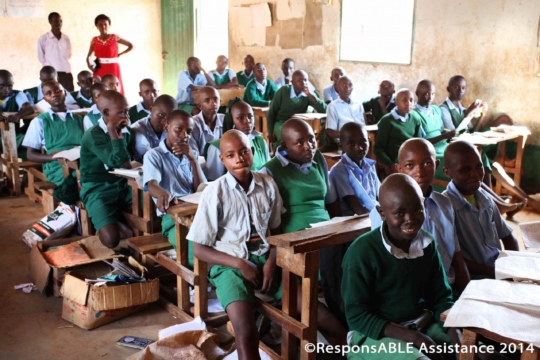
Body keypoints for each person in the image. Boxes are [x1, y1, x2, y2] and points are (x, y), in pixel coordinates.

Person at [189, 130, 345, 359]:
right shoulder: (215, 192)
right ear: (222, 160)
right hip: (230, 265)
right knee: (246, 332)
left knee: (321, 317)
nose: (239, 158)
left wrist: (272, 261)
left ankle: (345, 353)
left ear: (252, 153)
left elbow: (276, 232)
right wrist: (241, 264)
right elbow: (198, 249)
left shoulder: (267, 184)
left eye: (243, 152)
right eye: (231, 155)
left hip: (265, 260)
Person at [342, 173, 460, 360]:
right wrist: (416, 338)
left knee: (478, 352)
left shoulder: (426, 244)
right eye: (399, 213)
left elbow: (440, 297)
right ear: (382, 213)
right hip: (374, 335)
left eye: (417, 210)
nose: (410, 219)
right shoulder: (362, 252)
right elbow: (357, 317)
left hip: (420, 323)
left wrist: (456, 333)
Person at [370, 139, 470, 295]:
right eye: (410, 166)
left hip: (446, 290)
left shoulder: (445, 204)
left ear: (436, 165)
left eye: (427, 164)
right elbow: (385, 265)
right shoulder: (386, 212)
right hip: (409, 294)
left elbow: (456, 258)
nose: (420, 172)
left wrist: (468, 295)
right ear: (399, 169)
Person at [442, 141, 518, 278]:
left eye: (479, 167)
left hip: (498, 270)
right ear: (447, 172)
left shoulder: (485, 199)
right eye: (465, 169)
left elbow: (509, 238)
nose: (475, 174)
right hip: (475, 278)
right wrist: (497, 274)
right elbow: (456, 260)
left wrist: (514, 267)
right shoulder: (445, 207)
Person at [144, 110, 205, 260]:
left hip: (197, 212)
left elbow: (201, 188)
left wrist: (193, 160)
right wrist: (161, 193)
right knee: (195, 252)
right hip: (172, 216)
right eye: (179, 129)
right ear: (166, 128)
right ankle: (201, 279)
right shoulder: (154, 155)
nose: (184, 135)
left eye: (189, 132)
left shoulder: (192, 153)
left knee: (215, 242)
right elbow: (151, 184)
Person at [79, 90, 134, 248]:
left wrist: (117, 132)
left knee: (149, 203)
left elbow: (126, 163)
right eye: (122, 112)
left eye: (127, 111)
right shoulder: (93, 135)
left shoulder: (124, 131)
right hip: (97, 188)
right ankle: (113, 219)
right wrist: (111, 130)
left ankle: (116, 217)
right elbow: (116, 161)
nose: (126, 116)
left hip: (122, 184)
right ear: (105, 112)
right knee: (111, 240)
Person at [22, 80, 89, 187]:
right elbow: (30, 155)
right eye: (48, 93)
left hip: (82, 161)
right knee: (81, 179)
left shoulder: (78, 119)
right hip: (57, 166)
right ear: (45, 99)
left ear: (65, 93)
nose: (54, 94)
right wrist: (55, 157)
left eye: (57, 90)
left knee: (96, 174)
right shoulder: (39, 121)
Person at [204, 100, 269, 180]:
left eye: (250, 116)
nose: (247, 120)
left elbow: (267, 171)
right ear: (231, 120)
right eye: (240, 117)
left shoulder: (259, 140)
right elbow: (214, 180)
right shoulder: (217, 147)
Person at [330, 122, 379, 216]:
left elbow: (379, 195)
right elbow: (355, 206)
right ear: (341, 146)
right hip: (356, 220)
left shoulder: (370, 166)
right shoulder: (339, 171)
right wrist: (375, 221)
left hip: (374, 214)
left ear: (369, 141)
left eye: (363, 141)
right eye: (351, 143)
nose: (359, 148)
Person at [266, 70, 326, 146]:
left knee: (307, 137)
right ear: (292, 82)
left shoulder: (308, 94)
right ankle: (280, 155)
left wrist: (310, 95)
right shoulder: (283, 91)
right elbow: (271, 112)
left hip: (298, 124)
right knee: (286, 135)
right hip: (281, 122)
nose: (303, 83)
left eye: (305, 80)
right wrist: (270, 132)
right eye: (299, 80)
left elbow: (325, 109)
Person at [374, 88, 423, 176]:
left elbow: (418, 143)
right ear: (395, 102)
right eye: (404, 100)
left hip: (412, 156)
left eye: (411, 100)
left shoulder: (415, 118)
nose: (409, 103)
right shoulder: (387, 121)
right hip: (396, 159)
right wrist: (390, 164)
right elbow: (378, 149)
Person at [86, 14, 133, 95]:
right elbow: (88, 56)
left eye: (105, 24)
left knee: (114, 87)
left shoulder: (114, 37)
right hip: (99, 67)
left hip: (113, 67)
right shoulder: (94, 40)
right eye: (100, 25)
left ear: (109, 25)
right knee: (101, 88)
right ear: (96, 26)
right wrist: (90, 66)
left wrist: (120, 54)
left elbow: (131, 45)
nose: (103, 27)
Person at [0, 70, 38, 157]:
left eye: (10, 86)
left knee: (30, 141)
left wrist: (17, 116)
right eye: (2, 86)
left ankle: (28, 168)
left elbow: (29, 108)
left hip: (13, 135)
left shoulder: (17, 94)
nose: (7, 90)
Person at [132, 95, 176, 162]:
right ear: (151, 110)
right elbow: (151, 158)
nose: (165, 121)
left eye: (170, 117)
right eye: (161, 115)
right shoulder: (137, 129)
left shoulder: (175, 129)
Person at [37, 12, 74, 91]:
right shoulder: (44, 38)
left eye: (60, 21)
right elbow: (41, 58)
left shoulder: (66, 39)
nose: (59, 23)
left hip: (66, 73)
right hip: (51, 76)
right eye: (56, 21)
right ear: (50, 22)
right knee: (52, 97)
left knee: (69, 97)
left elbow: (69, 55)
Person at [325, 76, 365, 143]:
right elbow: (331, 133)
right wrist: (351, 134)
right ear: (337, 87)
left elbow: (364, 125)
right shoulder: (332, 106)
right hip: (345, 140)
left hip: (362, 138)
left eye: (350, 85)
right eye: (344, 85)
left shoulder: (358, 104)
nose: (347, 88)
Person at [189, 86, 224, 157]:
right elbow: (194, 155)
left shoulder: (225, 119)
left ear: (220, 102)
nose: (213, 103)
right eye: (207, 100)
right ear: (199, 106)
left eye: (215, 99)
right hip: (201, 165)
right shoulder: (192, 124)